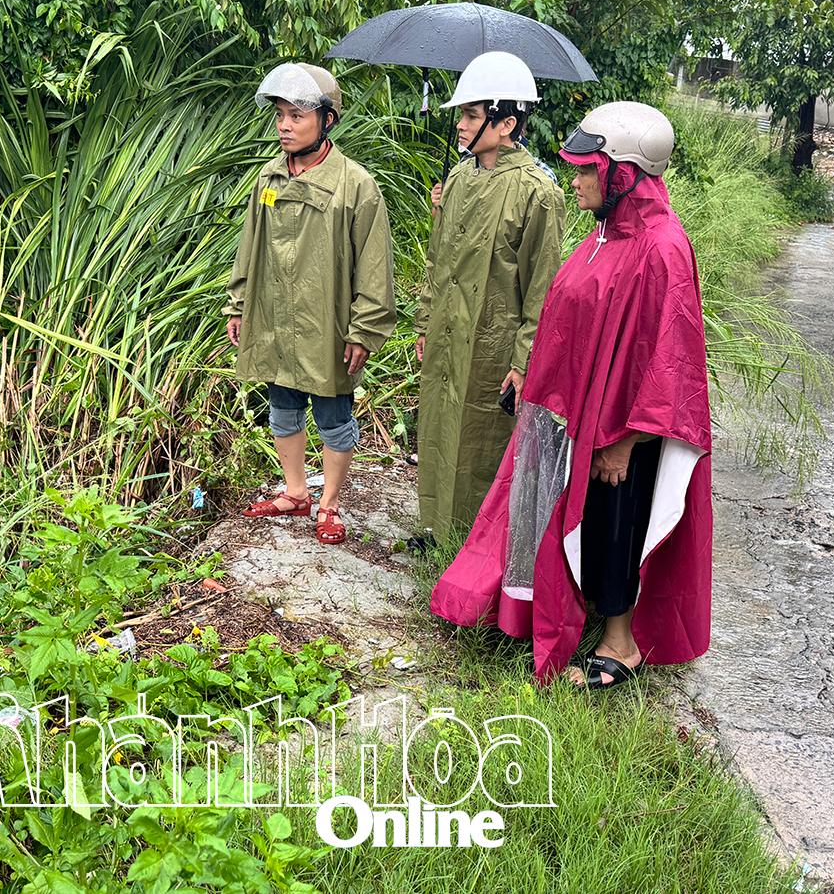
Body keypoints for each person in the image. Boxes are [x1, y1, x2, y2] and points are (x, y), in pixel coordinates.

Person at [429, 101, 713, 689]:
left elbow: (670, 360)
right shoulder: (606, 234)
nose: (577, 179)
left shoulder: (662, 247)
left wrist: (626, 442)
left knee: (616, 526)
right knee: (579, 521)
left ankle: (621, 642)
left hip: (621, 435)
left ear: (624, 174)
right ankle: (551, 612)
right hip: (578, 421)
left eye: (588, 169)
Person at [225, 63, 397, 545]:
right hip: (275, 317)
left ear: (327, 120)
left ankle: (330, 504)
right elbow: (249, 245)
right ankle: (296, 492)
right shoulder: (268, 177)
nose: (284, 124)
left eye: (296, 115)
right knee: (282, 406)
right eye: (280, 114)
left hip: (327, 323)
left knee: (334, 416)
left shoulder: (356, 185)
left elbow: (375, 265)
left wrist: (364, 329)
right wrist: (239, 305)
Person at [415, 52, 566, 540]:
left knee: (482, 438)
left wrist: (523, 360)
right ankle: (436, 529)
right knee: (438, 423)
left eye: (471, 116)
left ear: (506, 124)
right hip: (448, 328)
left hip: (495, 345)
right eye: (462, 114)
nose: (460, 125)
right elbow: (438, 261)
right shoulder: (459, 178)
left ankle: (474, 544)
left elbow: (542, 289)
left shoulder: (537, 193)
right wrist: (425, 323)